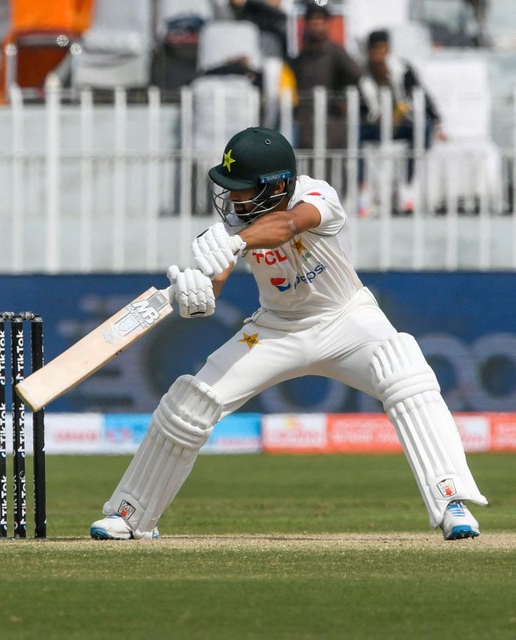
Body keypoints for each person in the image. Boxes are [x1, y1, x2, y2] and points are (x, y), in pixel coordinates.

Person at [89, 127, 486, 542]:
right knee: (191, 402)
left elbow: (289, 224)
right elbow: (216, 279)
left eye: (242, 189)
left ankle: (451, 502)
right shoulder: (233, 223)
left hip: (348, 318)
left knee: (404, 369)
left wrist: (235, 242)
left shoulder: (318, 196)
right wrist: (200, 289)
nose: (233, 199)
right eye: (229, 189)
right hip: (274, 330)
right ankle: (131, 515)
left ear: (277, 184)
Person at [358, 29, 446, 214]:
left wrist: (436, 120)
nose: (379, 55)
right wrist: (376, 117)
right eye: (375, 50)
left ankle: (407, 185)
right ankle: (363, 189)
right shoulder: (362, 75)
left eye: (382, 50)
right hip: (373, 126)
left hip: (400, 124)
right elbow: (359, 107)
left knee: (421, 130)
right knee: (354, 136)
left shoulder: (402, 70)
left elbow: (420, 95)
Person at [289, 3, 361, 149]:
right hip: (306, 123)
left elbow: (356, 74)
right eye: (313, 22)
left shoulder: (336, 52)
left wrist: (341, 97)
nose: (317, 26)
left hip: (332, 122)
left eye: (321, 21)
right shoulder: (301, 57)